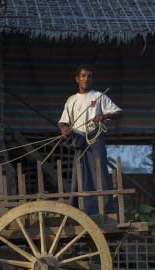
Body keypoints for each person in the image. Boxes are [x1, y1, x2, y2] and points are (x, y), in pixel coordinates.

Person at [58, 64, 123, 215]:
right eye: (83, 76)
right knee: (80, 173)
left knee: (99, 170)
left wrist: (104, 116)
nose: (86, 79)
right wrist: (64, 129)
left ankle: (104, 209)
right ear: (77, 79)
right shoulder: (71, 100)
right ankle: (81, 209)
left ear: (93, 79)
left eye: (89, 76)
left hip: (95, 137)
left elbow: (119, 112)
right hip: (79, 139)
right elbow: (62, 121)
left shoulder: (99, 96)